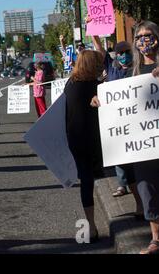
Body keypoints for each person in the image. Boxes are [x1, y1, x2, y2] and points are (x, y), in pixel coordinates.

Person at [88, 25, 143, 216]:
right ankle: (123, 186)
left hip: (137, 124)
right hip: (117, 124)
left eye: (127, 52)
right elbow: (100, 51)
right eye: (120, 53)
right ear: (116, 55)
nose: (123, 55)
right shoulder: (112, 69)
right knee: (120, 160)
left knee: (136, 163)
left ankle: (141, 202)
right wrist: (93, 31)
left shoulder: (138, 70)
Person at [64, 50, 104, 243]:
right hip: (93, 138)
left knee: (86, 181)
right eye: (97, 62)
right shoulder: (94, 86)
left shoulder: (70, 84)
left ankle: (92, 226)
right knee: (95, 176)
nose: (101, 65)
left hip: (75, 139)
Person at [127, 21, 159, 254]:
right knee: (147, 189)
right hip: (143, 145)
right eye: (138, 37)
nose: (142, 40)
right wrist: (101, 101)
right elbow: (123, 104)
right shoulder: (134, 73)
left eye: (147, 35)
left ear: (156, 38)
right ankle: (155, 239)